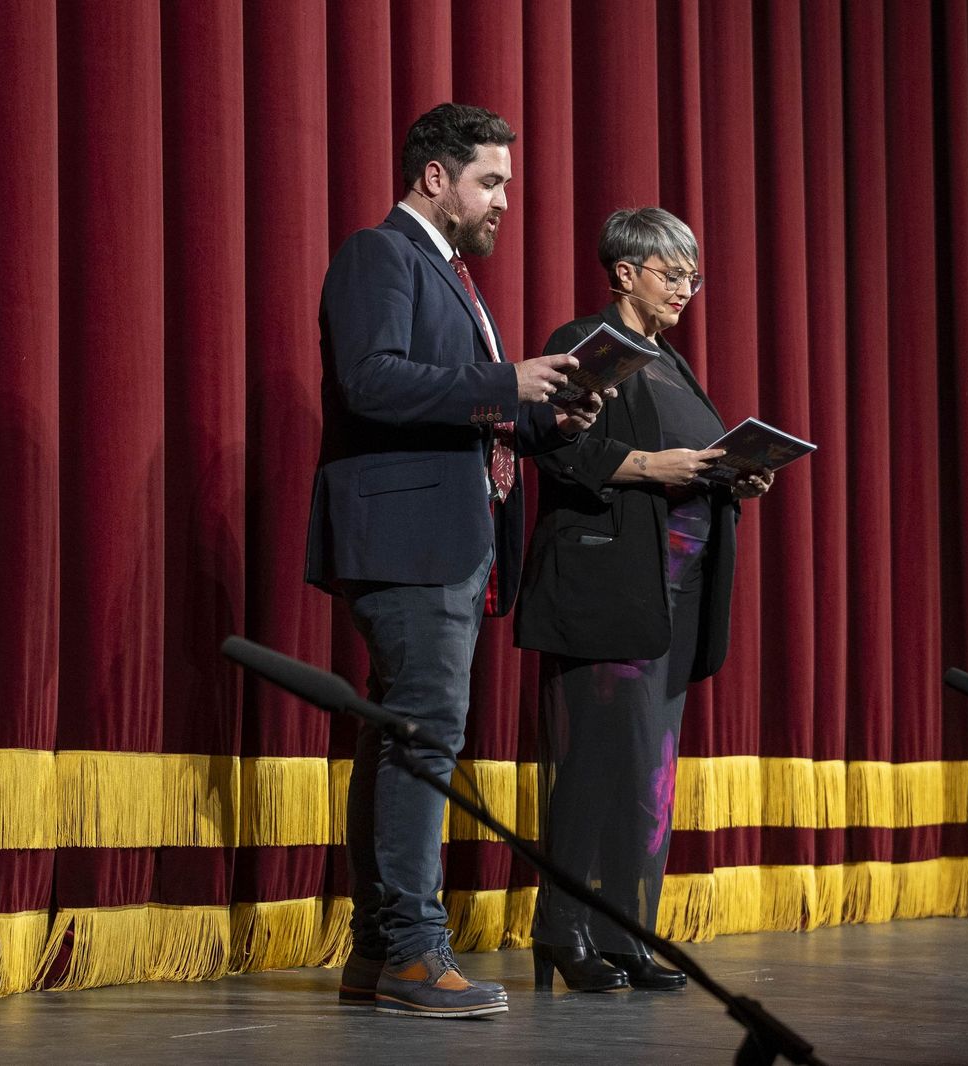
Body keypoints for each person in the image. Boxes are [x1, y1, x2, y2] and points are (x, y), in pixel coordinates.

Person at [306, 103, 604, 1019]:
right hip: (409, 539)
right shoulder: (380, 254)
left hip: (451, 541)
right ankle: (412, 951)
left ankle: (377, 951)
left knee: (403, 736)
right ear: (435, 177)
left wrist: (548, 417)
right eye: (491, 181)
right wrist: (505, 381)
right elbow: (373, 381)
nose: (505, 201)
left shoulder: (455, 279)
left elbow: (466, 410)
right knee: (423, 737)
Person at [514, 207, 774, 993]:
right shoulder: (589, 345)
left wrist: (736, 477)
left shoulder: (673, 363)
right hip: (609, 590)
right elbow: (556, 446)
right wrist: (648, 467)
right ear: (625, 273)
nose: (686, 288)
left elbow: (695, 460)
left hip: (675, 600)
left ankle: (626, 935)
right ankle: (563, 932)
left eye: (694, 276)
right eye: (673, 274)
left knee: (647, 776)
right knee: (595, 766)